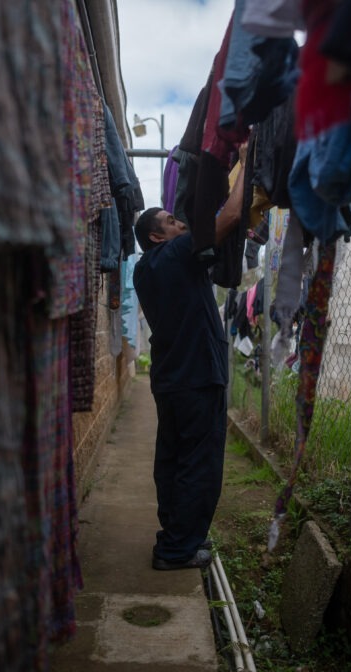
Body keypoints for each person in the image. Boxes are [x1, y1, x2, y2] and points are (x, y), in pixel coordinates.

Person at [133, 146, 247, 570]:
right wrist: (246, 162)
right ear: (157, 237)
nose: (181, 222)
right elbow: (231, 216)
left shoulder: (144, 270)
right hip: (198, 378)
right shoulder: (177, 254)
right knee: (199, 465)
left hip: (170, 381)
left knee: (173, 461)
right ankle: (178, 549)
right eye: (171, 221)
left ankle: (172, 538)